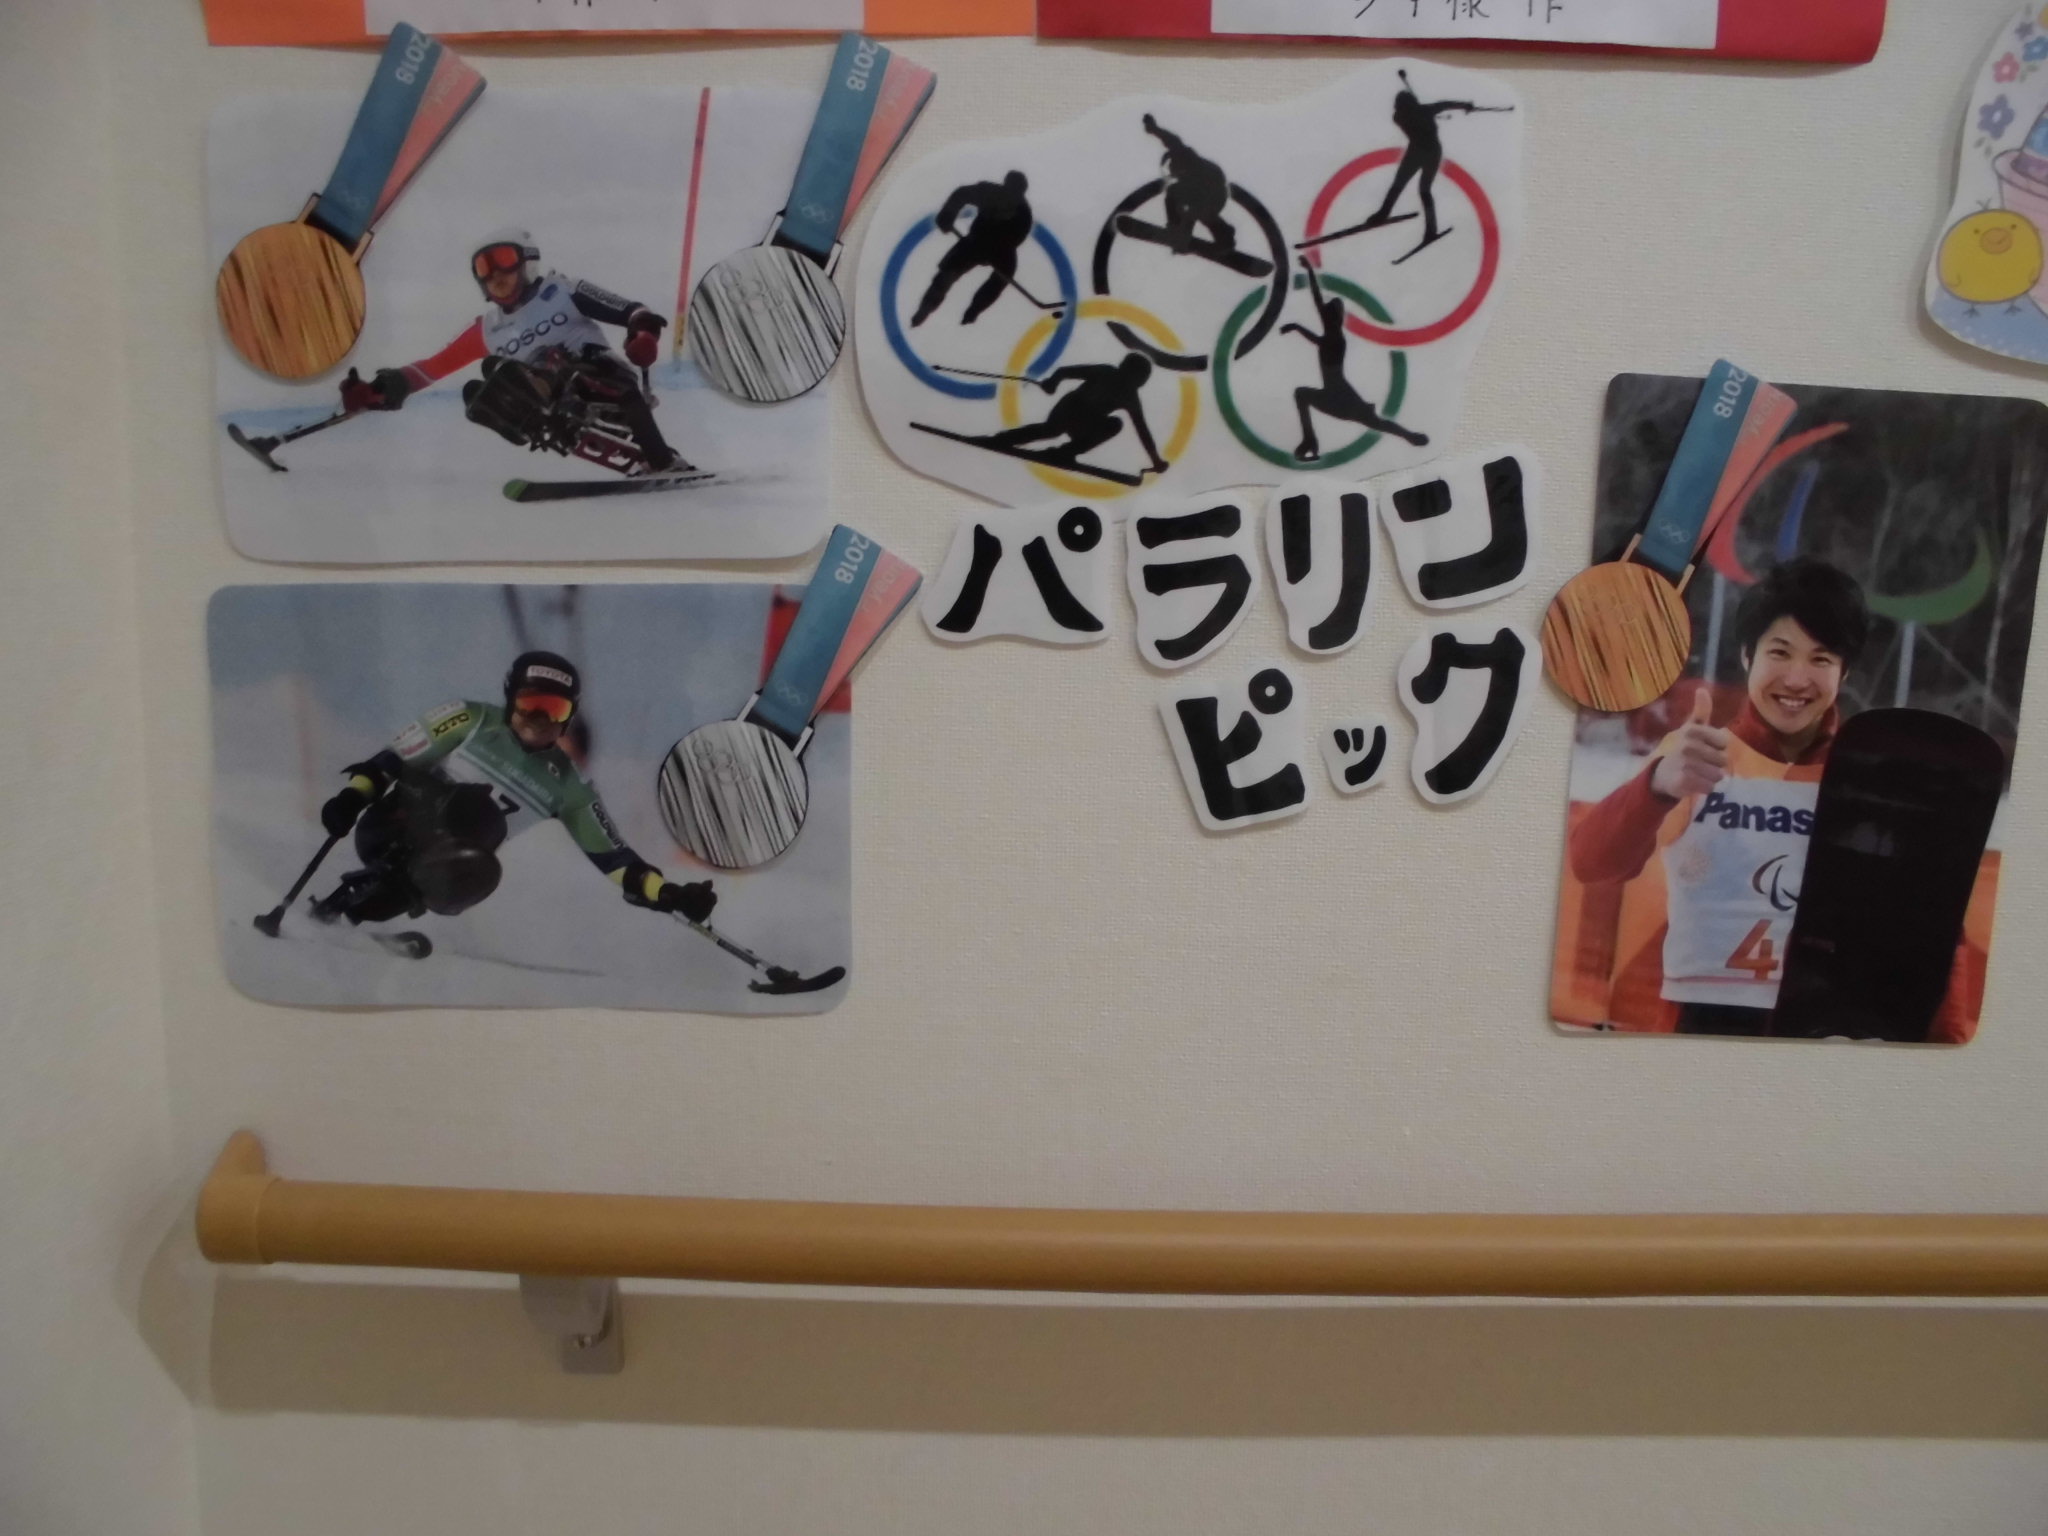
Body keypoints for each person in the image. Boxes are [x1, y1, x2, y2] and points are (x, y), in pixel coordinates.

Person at [1568, 559, 1876, 1037]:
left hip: (1821, 1032)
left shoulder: (1865, 780)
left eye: (1821, 660)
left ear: (1845, 672)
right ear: (1748, 656)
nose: (1797, 679)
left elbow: (1930, 931)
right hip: (1701, 1028)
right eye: (1780, 652)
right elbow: (1590, 863)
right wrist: (1655, 786)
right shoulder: (1697, 756)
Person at [309, 650, 715, 932]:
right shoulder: (470, 719)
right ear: (510, 700)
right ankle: (370, 893)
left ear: (568, 718)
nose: (539, 718)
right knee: (477, 808)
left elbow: (614, 859)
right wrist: (353, 797)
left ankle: (351, 916)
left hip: (447, 873)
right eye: (530, 703)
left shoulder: (568, 784)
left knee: (484, 852)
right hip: (391, 829)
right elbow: (392, 759)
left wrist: (669, 893)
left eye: (554, 710)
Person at [340, 228, 689, 476]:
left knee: (539, 363)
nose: (495, 274)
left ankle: (663, 461)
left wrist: (643, 334)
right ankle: (535, 420)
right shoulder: (487, 328)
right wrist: (383, 389)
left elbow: (630, 310)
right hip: (552, 404)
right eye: (484, 268)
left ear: (527, 262)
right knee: (483, 386)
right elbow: (432, 368)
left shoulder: (560, 290)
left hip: (601, 375)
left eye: (503, 260)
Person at [1281, 259, 1428, 461]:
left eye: (1328, 314)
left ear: (1335, 319)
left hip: (1342, 395)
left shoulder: (1335, 338)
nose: (1323, 315)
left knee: (1375, 422)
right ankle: (1309, 439)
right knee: (1302, 395)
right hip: (1333, 392)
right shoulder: (1330, 333)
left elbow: (1319, 333)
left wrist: (1297, 327)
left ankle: (1409, 435)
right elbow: (1317, 301)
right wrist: (1309, 271)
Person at [982, 353, 1167, 476]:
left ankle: (1063, 452)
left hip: (1083, 419)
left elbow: (1143, 431)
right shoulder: (1108, 375)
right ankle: (1004, 439)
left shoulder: (1127, 393)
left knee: (1051, 430)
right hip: (1071, 409)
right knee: (1050, 430)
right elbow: (1064, 372)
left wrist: (1156, 460)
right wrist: (1053, 383)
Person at [1361, 70, 1484, 246]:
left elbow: (1439, 106)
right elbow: (1445, 104)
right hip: (1429, 151)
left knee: (1405, 186)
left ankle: (1385, 214)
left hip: (1420, 152)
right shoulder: (1419, 112)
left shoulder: (1402, 115)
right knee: (1421, 189)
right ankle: (1427, 229)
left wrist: (1429, 109)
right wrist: (1465, 105)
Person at [911, 171, 1035, 328]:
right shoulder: (991, 192)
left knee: (1004, 275)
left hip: (1002, 249)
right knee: (946, 273)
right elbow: (961, 194)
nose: (1011, 195)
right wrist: (947, 214)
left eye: (1016, 191)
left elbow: (1019, 237)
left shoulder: (1024, 212)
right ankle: (925, 308)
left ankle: (973, 311)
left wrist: (996, 250)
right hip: (976, 240)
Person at [1140, 113, 1236, 254]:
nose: (1172, 173)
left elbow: (1173, 141)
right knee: (1192, 208)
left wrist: (1154, 129)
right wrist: (1182, 238)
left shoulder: (1184, 156)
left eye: (1171, 169)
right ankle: (1223, 234)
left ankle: (1222, 233)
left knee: (1178, 196)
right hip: (1209, 195)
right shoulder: (1184, 177)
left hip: (1213, 190)